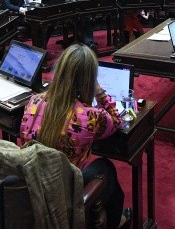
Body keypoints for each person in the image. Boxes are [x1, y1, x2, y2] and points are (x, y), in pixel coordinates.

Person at [18, 44, 129, 229]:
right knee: (106, 167)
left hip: (34, 186)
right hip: (66, 194)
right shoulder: (90, 117)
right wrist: (99, 92)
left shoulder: (34, 102)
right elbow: (117, 120)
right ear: (89, 80)